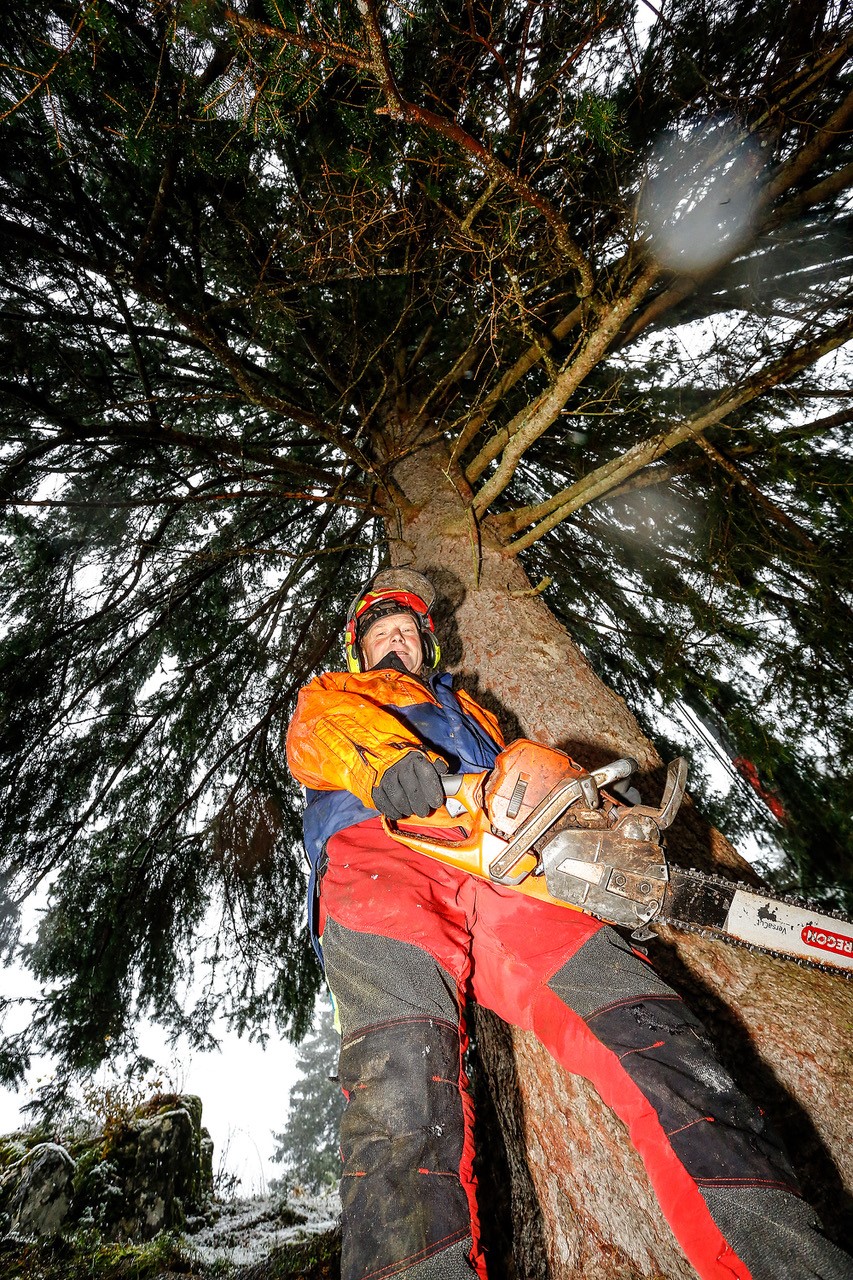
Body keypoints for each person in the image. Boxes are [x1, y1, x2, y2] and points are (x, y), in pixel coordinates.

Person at [285, 568, 851, 1280]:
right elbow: (316, 736)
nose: (397, 640)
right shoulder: (338, 694)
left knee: (660, 1039)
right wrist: (388, 762)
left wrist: (601, 872)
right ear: (359, 646)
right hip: (380, 853)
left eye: (408, 632)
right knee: (398, 1087)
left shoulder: (470, 711)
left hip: (508, 869)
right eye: (383, 632)